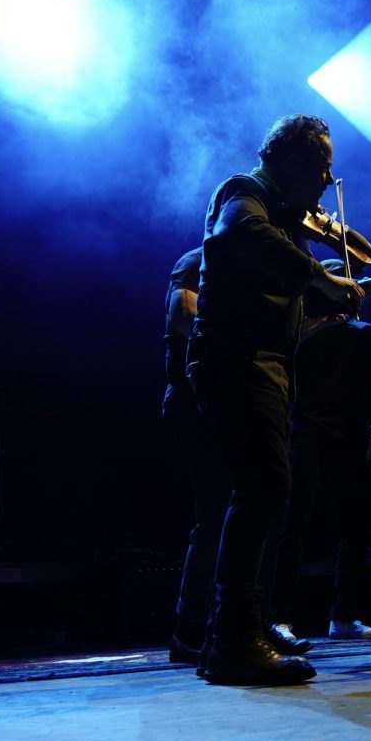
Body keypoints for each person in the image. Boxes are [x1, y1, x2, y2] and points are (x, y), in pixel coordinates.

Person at [186, 114, 364, 685]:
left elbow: (274, 293)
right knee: (263, 489)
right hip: (238, 361)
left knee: (268, 493)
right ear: (291, 160)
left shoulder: (282, 216)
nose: (325, 182)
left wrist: (327, 289)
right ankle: (230, 642)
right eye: (322, 169)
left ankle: (245, 627)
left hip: (261, 362)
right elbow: (242, 233)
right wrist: (319, 276)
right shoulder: (245, 194)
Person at [267, 255, 371, 645]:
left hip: (352, 434)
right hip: (308, 430)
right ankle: (279, 616)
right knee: (297, 522)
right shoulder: (296, 330)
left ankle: (344, 616)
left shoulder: (361, 331)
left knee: (355, 527)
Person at [162, 246, 233, 664]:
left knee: (246, 511)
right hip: (197, 402)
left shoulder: (248, 269)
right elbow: (182, 316)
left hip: (231, 405)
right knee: (214, 513)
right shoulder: (198, 261)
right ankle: (189, 627)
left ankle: (236, 621)